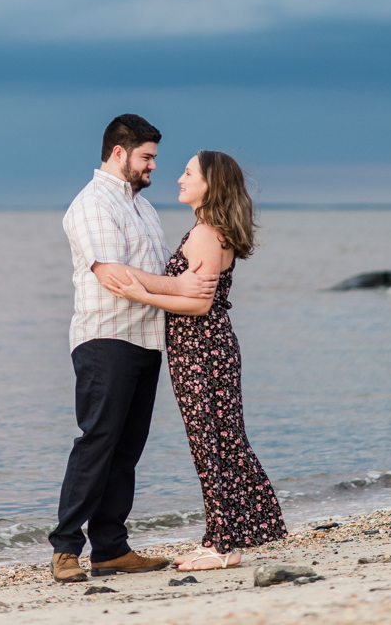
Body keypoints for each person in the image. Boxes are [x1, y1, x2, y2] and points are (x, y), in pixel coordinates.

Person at [48, 115, 220, 584]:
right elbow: (113, 275)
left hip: (147, 340)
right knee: (98, 441)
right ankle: (65, 549)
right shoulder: (92, 205)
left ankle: (110, 548)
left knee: (127, 450)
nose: (153, 167)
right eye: (147, 158)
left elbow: (144, 276)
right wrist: (180, 283)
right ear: (119, 153)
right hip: (106, 337)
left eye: (155, 159)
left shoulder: (143, 208)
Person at [106, 150, 287, 570]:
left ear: (212, 184)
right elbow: (194, 295)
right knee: (222, 439)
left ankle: (220, 545)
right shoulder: (211, 229)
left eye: (189, 173)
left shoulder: (206, 233)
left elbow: (199, 304)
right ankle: (229, 538)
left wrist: (138, 293)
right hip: (208, 347)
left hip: (202, 347)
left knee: (211, 443)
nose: (179, 179)